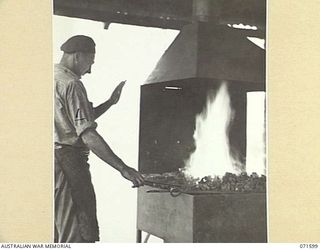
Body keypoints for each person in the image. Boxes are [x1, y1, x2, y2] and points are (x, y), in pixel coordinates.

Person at [54, 35, 144, 243]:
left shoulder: (52, 76)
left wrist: (110, 103)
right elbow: (87, 134)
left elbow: (78, 118)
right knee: (77, 233)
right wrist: (123, 168)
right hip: (67, 163)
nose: (90, 69)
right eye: (90, 62)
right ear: (78, 56)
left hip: (53, 162)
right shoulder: (72, 83)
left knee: (60, 227)